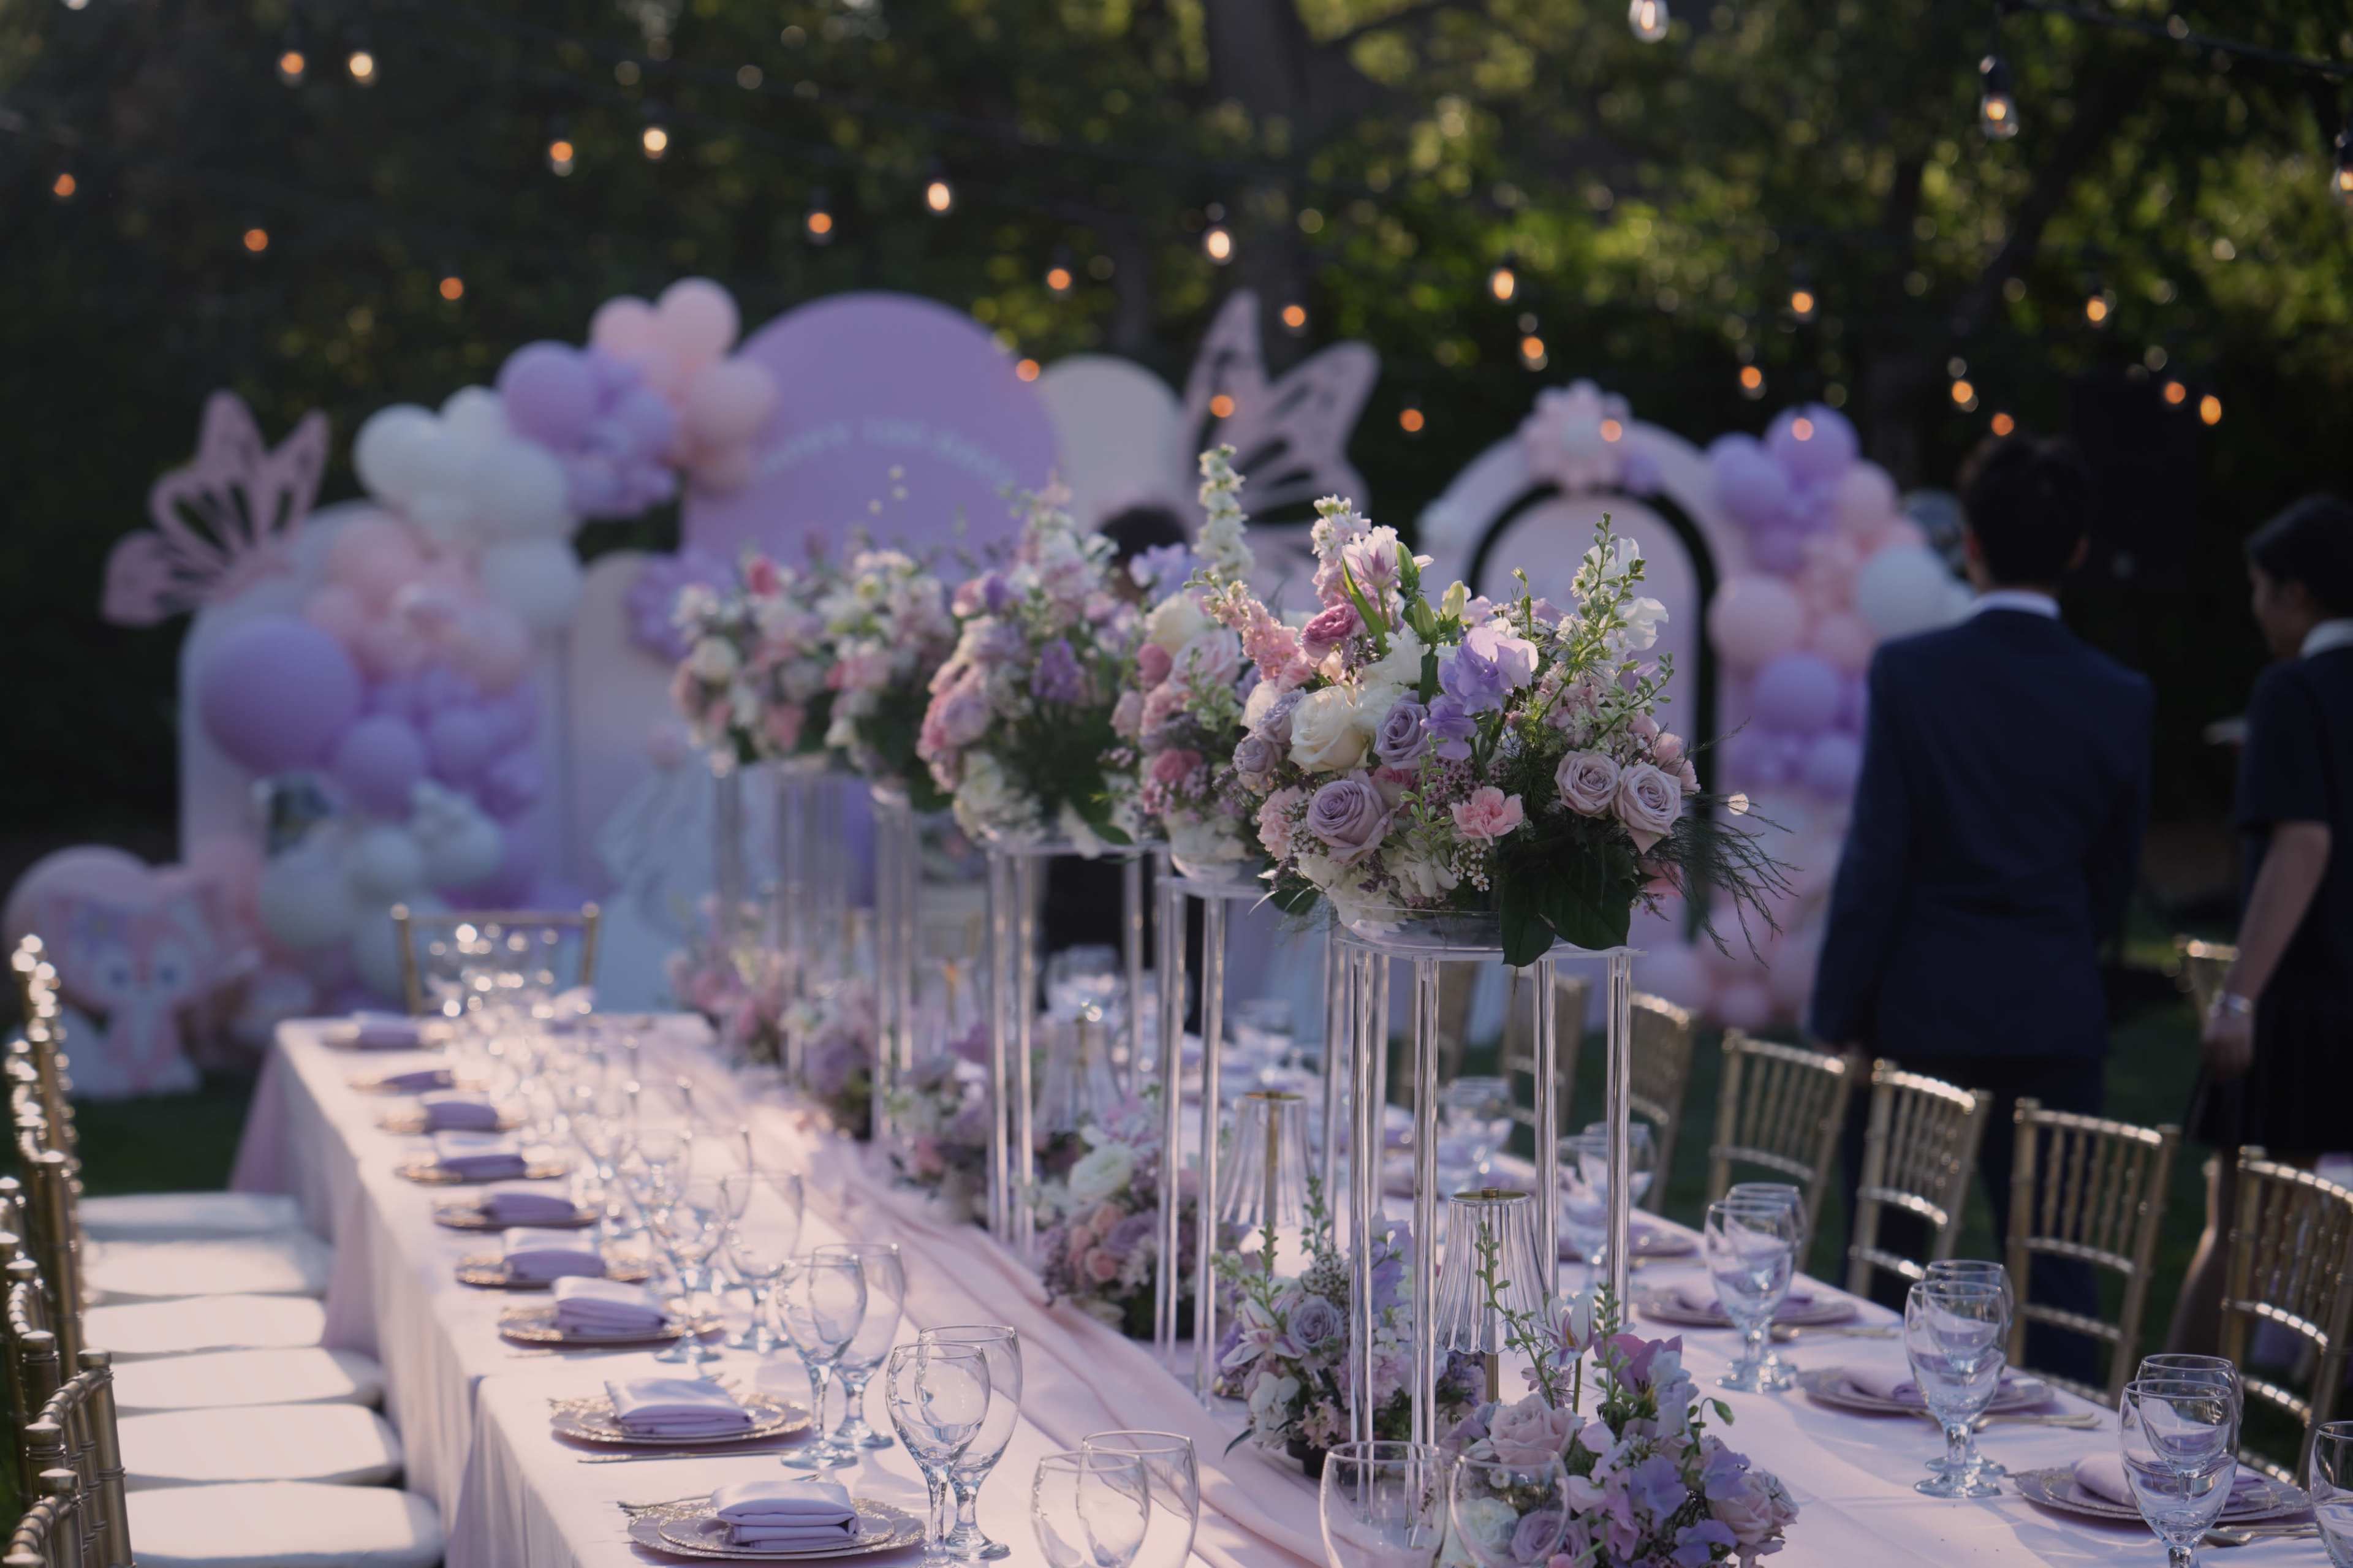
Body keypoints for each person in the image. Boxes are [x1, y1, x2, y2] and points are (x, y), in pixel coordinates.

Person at [1811, 433, 2153, 1386]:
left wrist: (1839, 1013)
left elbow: (1878, 858)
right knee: (2059, 1280)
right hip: (2054, 1009)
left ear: (1969, 542)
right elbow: (2110, 880)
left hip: (1921, 1010)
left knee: (1887, 1265)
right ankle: (2072, 1495)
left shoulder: (1915, 674)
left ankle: (1868, 1474)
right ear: (2078, 550)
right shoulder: (2122, 696)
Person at [2165, 494, 2353, 1355]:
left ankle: (2170, 1427)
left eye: (2258, 588)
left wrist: (2238, 999)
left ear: (2297, 595)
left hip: (2307, 997)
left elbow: (2302, 845)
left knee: (2240, 1230)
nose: (2254, 607)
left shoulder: (2294, 690)